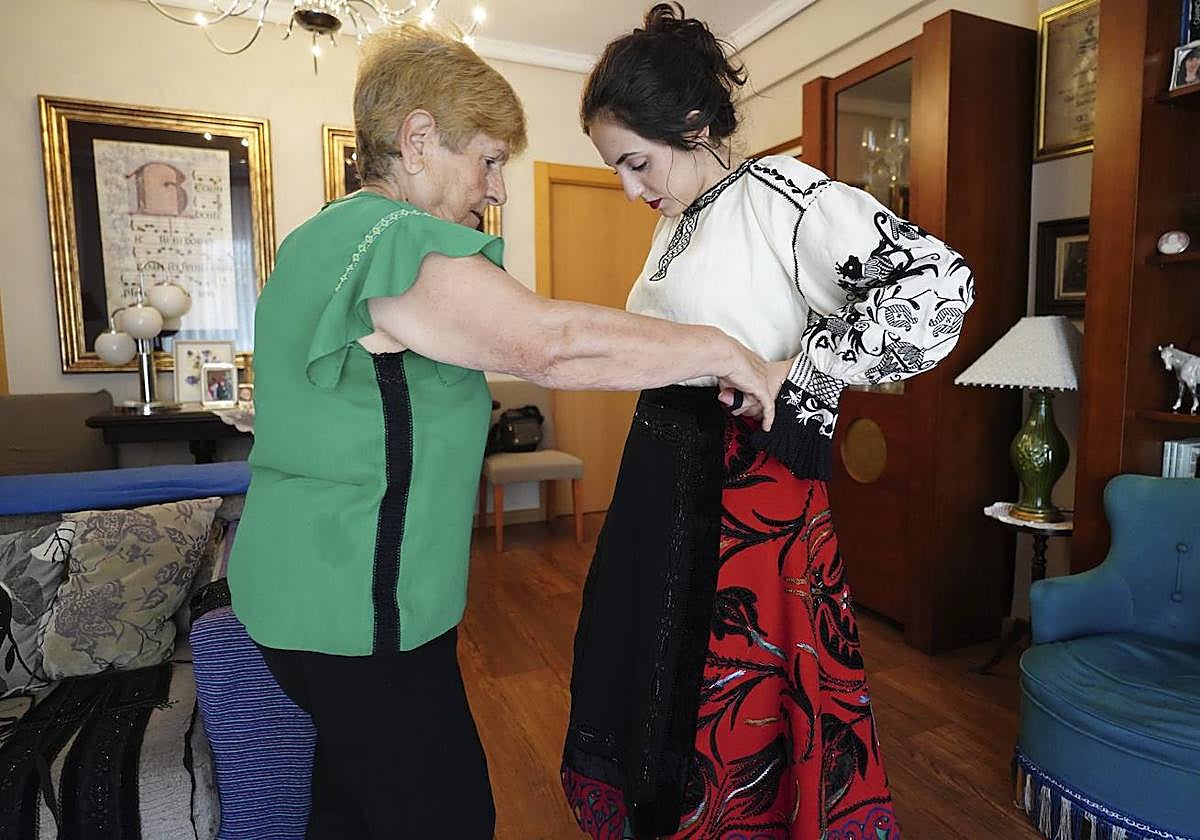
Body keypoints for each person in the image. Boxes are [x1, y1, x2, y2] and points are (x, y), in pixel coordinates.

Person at [225, 22, 781, 840]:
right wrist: (728, 353)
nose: (497, 188)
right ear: (418, 140)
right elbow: (545, 343)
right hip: (357, 611)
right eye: (488, 160)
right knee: (446, 817)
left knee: (349, 805)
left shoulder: (319, 238)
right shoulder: (394, 238)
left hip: (289, 595)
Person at [560, 5, 975, 839]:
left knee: (734, 697)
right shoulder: (680, 222)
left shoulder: (788, 197)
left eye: (638, 163)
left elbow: (941, 286)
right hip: (663, 482)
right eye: (618, 171)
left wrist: (808, 368)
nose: (632, 189)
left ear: (692, 123)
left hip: (747, 493)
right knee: (655, 678)